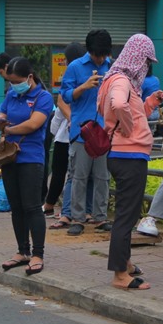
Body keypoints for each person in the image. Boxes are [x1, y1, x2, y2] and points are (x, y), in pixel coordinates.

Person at [97, 34, 163, 290]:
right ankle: (119, 275)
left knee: (128, 212)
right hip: (128, 155)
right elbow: (119, 106)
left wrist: (149, 103)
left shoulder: (116, 80)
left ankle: (124, 263)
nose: (147, 67)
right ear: (137, 58)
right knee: (126, 216)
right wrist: (127, 128)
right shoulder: (121, 81)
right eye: (146, 61)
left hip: (124, 154)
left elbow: (130, 113)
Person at [0, 57, 54, 277]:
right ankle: (23, 251)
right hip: (10, 157)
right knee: (16, 206)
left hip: (31, 157)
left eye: (17, 81)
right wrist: (0, 121)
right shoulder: (11, 95)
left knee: (31, 206)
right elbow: (1, 116)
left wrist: (8, 130)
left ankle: (38, 254)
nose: (13, 86)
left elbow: (34, 124)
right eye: (10, 82)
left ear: (29, 77)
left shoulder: (43, 97)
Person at [60, 29, 112, 235]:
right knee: (79, 177)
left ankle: (100, 218)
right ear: (89, 51)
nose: (100, 59)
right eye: (97, 55)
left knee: (102, 177)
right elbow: (65, 95)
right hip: (82, 131)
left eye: (104, 55)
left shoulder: (112, 66)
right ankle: (77, 218)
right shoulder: (75, 67)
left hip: (104, 131)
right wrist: (83, 86)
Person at [49, 42, 92, 229]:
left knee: (83, 176)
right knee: (74, 176)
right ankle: (68, 213)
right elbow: (62, 100)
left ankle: (81, 212)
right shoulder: (75, 73)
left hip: (81, 135)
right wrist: (74, 120)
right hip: (71, 136)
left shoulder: (85, 72)